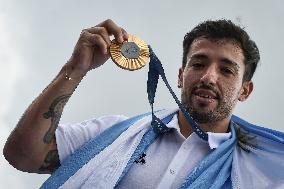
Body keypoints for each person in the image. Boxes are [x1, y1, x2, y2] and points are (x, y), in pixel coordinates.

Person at [3, 19, 284, 189]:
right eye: (198, 63)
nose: (209, 77)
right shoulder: (115, 136)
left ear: (244, 91)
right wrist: (75, 69)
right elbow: (23, 155)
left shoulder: (257, 176)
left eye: (226, 70)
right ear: (179, 75)